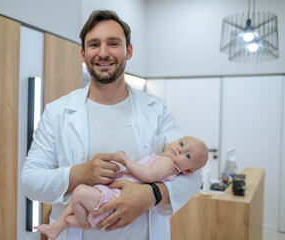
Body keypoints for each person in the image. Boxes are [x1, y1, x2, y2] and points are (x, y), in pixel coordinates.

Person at [21, 9, 202, 240]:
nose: (103, 53)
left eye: (113, 43)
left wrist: (151, 194)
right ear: (83, 53)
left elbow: (194, 171)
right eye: (94, 44)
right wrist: (79, 173)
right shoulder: (57, 112)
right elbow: (30, 182)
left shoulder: (157, 110)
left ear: (129, 50)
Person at [33, 136, 208, 240]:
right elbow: (31, 180)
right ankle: (56, 228)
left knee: (79, 193)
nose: (179, 149)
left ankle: (82, 222)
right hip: (113, 193)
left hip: (117, 197)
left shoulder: (168, 162)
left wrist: (126, 161)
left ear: (188, 170)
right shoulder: (167, 160)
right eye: (181, 143)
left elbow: (149, 175)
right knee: (77, 198)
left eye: (187, 155)